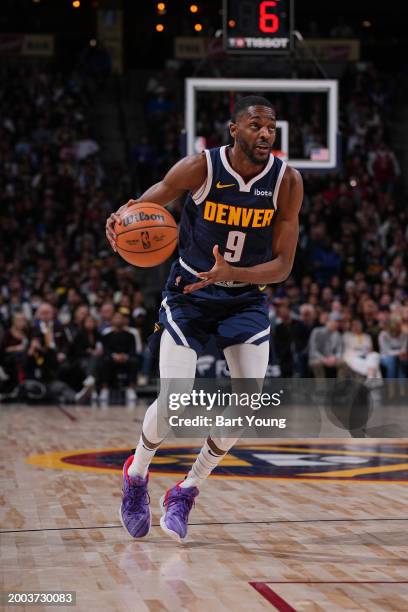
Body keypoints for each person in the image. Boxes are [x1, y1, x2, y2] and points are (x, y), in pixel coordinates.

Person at [106, 96, 303, 541]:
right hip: (190, 293)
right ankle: (136, 476)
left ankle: (186, 490)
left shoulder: (287, 181)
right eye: (256, 125)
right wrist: (120, 220)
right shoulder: (200, 167)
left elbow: (284, 264)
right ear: (234, 131)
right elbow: (148, 201)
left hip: (245, 297)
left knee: (249, 404)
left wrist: (235, 273)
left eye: (271, 128)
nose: (266, 134)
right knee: (175, 402)